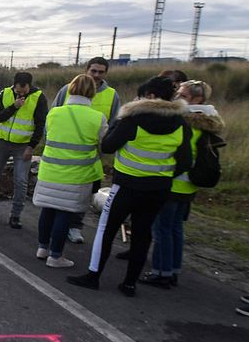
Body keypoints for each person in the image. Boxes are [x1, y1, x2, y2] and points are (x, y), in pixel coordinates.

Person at [67, 76, 191, 297]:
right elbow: (185, 162)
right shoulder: (181, 124)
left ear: (150, 96)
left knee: (106, 230)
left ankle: (94, 275)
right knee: (143, 235)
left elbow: (107, 145)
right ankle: (130, 283)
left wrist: (120, 118)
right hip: (158, 189)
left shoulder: (133, 119)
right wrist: (161, 174)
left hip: (126, 185)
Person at [143, 80, 224, 287]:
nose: (177, 98)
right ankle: (173, 269)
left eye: (183, 95)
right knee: (176, 229)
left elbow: (177, 154)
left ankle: (161, 272)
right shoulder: (206, 121)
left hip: (174, 183)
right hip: (189, 185)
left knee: (162, 229)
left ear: (196, 99)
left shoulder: (186, 122)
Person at [32, 74, 107, 268]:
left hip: (50, 170)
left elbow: (48, 136)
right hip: (76, 174)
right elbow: (104, 146)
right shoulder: (97, 118)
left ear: (70, 90)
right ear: (93, 92)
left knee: (47, 210)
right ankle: (56, 256)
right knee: (64, 214)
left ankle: (42, 247)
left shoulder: (54, 113)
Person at [53, 57, 121, 243]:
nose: (97, 75)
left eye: (101, 72)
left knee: (84, 194)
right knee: (60, 192)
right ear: (86, 70)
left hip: (90, 155)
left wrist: (104, 148)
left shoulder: (111, 95)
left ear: (106, 73)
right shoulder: (67, 90)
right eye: (94, 71)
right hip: (62, 153)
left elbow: (114, 124)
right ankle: (56, 225)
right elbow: (52, 116)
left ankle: (75, 227)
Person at [0, 72, 47, 229]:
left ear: (29, 86)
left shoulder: (39, 97)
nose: (21, 94)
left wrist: (31, 147)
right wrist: (14, 106)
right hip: (2, 142)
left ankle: (15, 215)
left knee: (20, 181)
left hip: (23, 145)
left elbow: (40, 125)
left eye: (23, 90)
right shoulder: (4, 93)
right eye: (18, 90)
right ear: (15, 85)